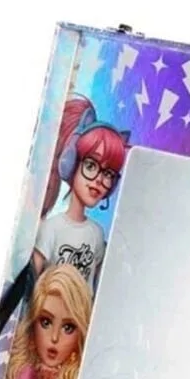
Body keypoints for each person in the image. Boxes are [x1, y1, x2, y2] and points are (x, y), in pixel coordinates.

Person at [31, 95, 129, 284]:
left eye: (108, 174)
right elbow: (30, 286)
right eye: (91, 166)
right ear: (71, 162)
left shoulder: (97, 235)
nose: (99, 180)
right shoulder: (51, 228)